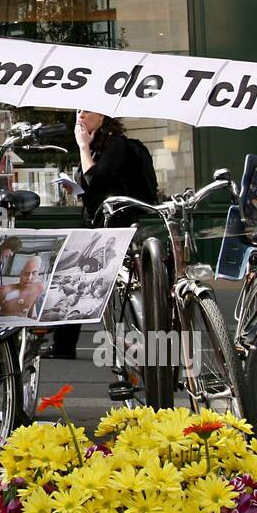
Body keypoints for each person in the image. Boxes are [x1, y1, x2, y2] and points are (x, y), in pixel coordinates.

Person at [51, 109, 158, 359]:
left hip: (117, 227)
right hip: (97, 223)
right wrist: (74, 188)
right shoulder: (97, 145)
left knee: (83, 280)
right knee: (76, 281)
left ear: (103, 117)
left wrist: (82, 147)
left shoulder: (116, 145)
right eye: (78, 111)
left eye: (87, 112)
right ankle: (63, 346)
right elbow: (92, 188)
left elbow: (96, 178)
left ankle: (66, 346)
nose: (80, 116)